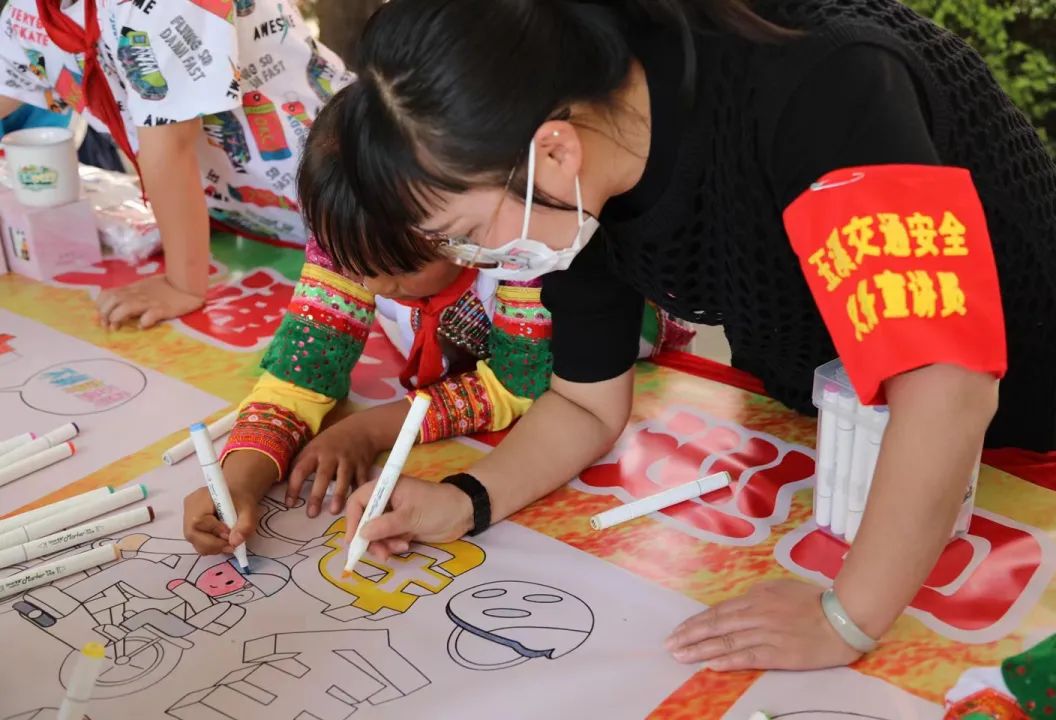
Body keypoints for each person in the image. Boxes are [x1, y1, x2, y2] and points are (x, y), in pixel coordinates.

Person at [303, 0, 1056, 672]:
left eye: (467, 232)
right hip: (809, 328)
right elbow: (584, 403)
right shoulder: (577, 179)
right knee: (831, 474)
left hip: (994, 320)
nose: (475, 261)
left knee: (969, 542)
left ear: (553, 149)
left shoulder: (820, 86)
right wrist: (465, 501)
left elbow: (946, 387)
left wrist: (847, 618)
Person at [182, 92, 693, 555]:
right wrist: (239, 480)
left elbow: (520, 385)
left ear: (449, 222)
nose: (373, 287)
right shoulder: (352, 238)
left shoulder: (522, 248)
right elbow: (301, 373)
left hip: (610, 364)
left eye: (399, 269)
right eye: (356, 270)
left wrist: (370, 428)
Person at [0, 0, 350, 328]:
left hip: (346, 198)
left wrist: (182, 285)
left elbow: (169, 147)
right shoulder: (33, 8)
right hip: (253, 217)